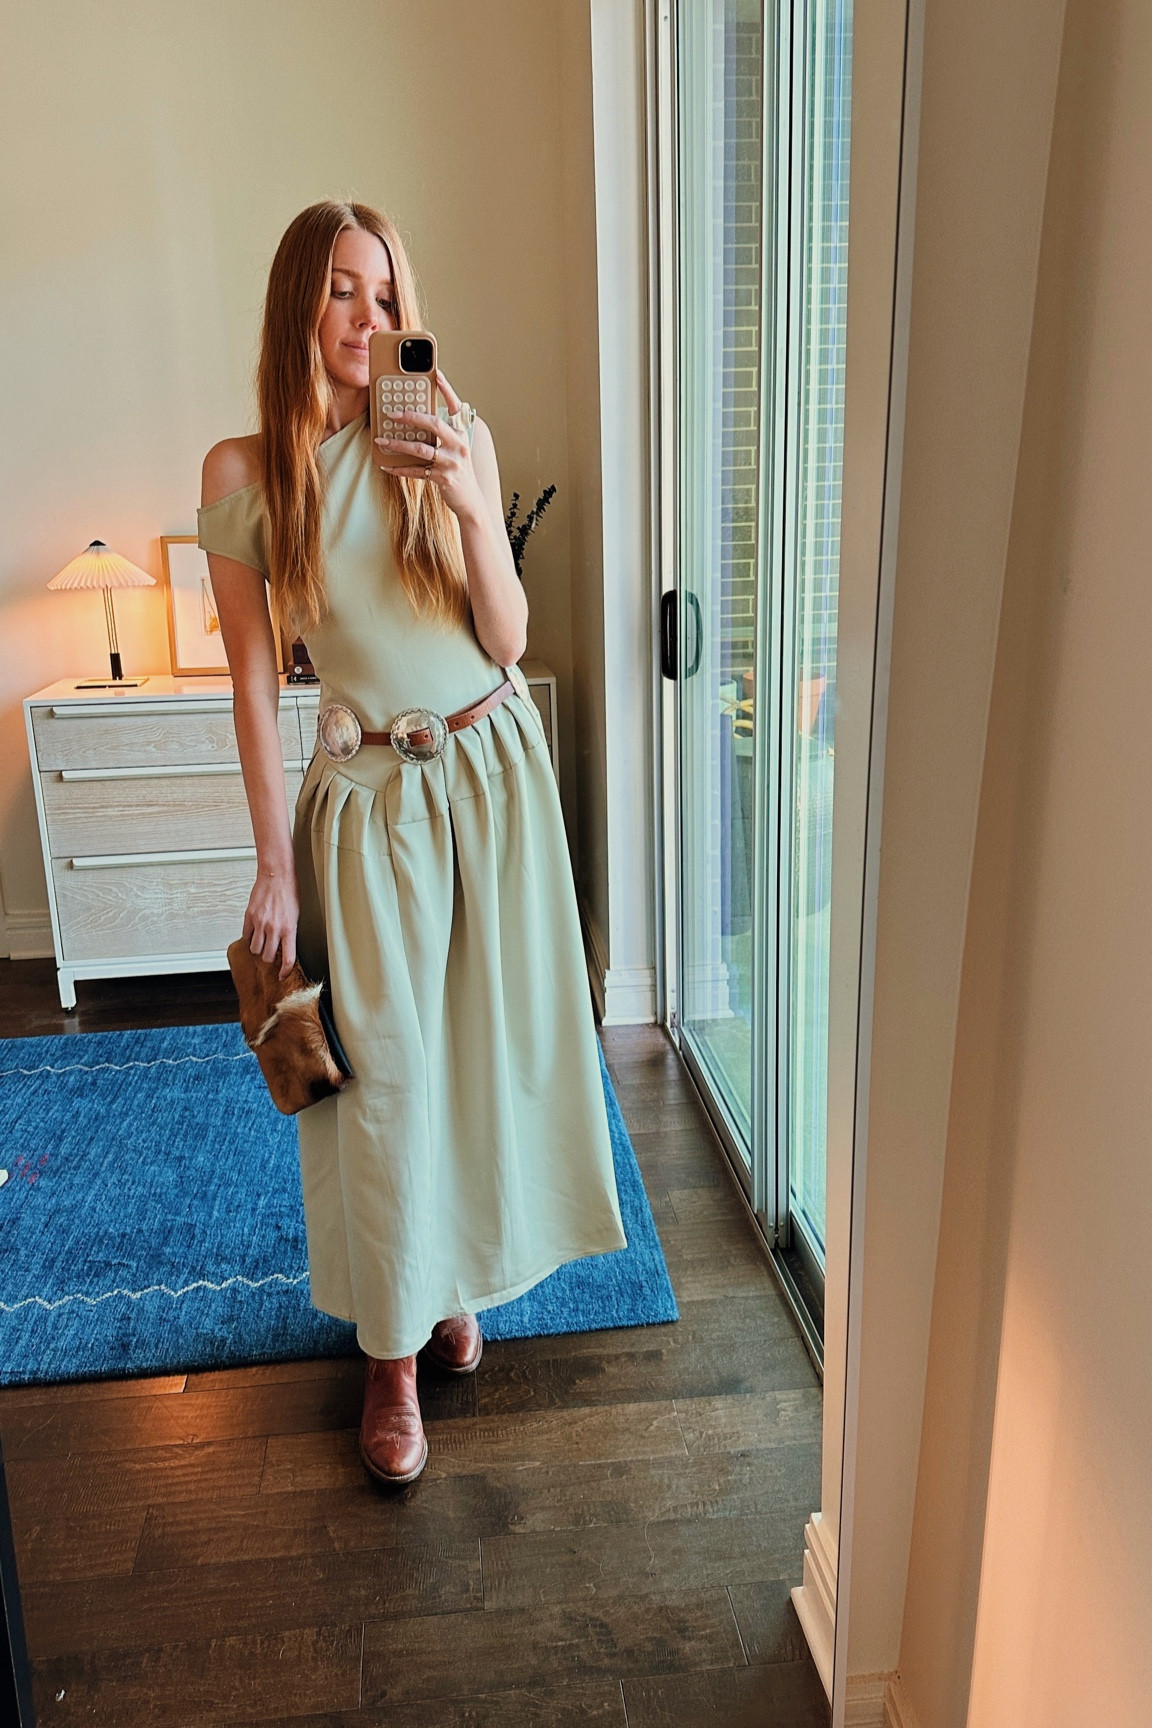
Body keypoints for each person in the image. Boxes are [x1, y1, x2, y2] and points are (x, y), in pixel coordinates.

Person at [198, 200, 627, 1486]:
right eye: (341, 290)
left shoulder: (453, 429)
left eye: (385, 296)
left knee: (479, 1054)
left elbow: (506, 633)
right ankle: (389, 1355)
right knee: (382, 1081)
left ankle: (450, 1283)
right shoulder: (243, 474)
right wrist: (271, 864)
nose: (365, 318)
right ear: (297, 301)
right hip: (367, 806)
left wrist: (469, 502)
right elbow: (249, 684)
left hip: (491, 776)